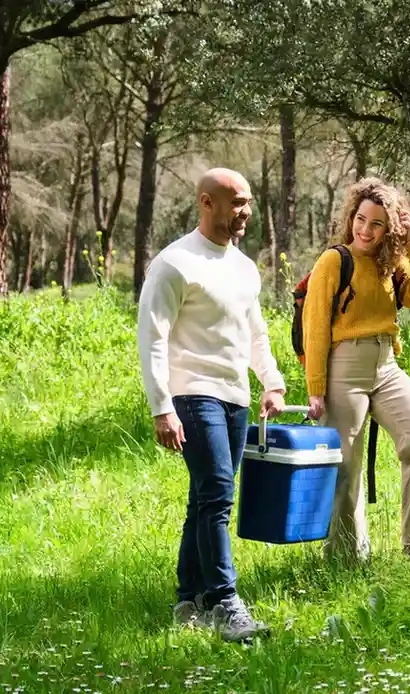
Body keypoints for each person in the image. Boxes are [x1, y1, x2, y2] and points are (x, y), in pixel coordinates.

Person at [136, 167, 288, 642]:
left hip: (234, 396)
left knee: (203, 499)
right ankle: (225, 602)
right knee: (219, 494)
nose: (245, 212)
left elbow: (255, 333)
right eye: (237, 202)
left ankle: (189, 598)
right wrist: (162, 406)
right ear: (206, 202)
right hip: (191, 393)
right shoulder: (175, 264)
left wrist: (272, 380)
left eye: (247, 202)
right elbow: (152, 339)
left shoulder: (243, 267)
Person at [302, 177, 410, 563]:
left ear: (390, 230)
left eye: (376, 224)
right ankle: (345, 557)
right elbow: (315, 326)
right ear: (351, 216)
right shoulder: (335, 260)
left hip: (386, 365)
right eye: (361, 219)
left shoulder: (393, 263)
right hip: (344, 366)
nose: (365, 230)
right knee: (344, 464)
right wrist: (315, 388)